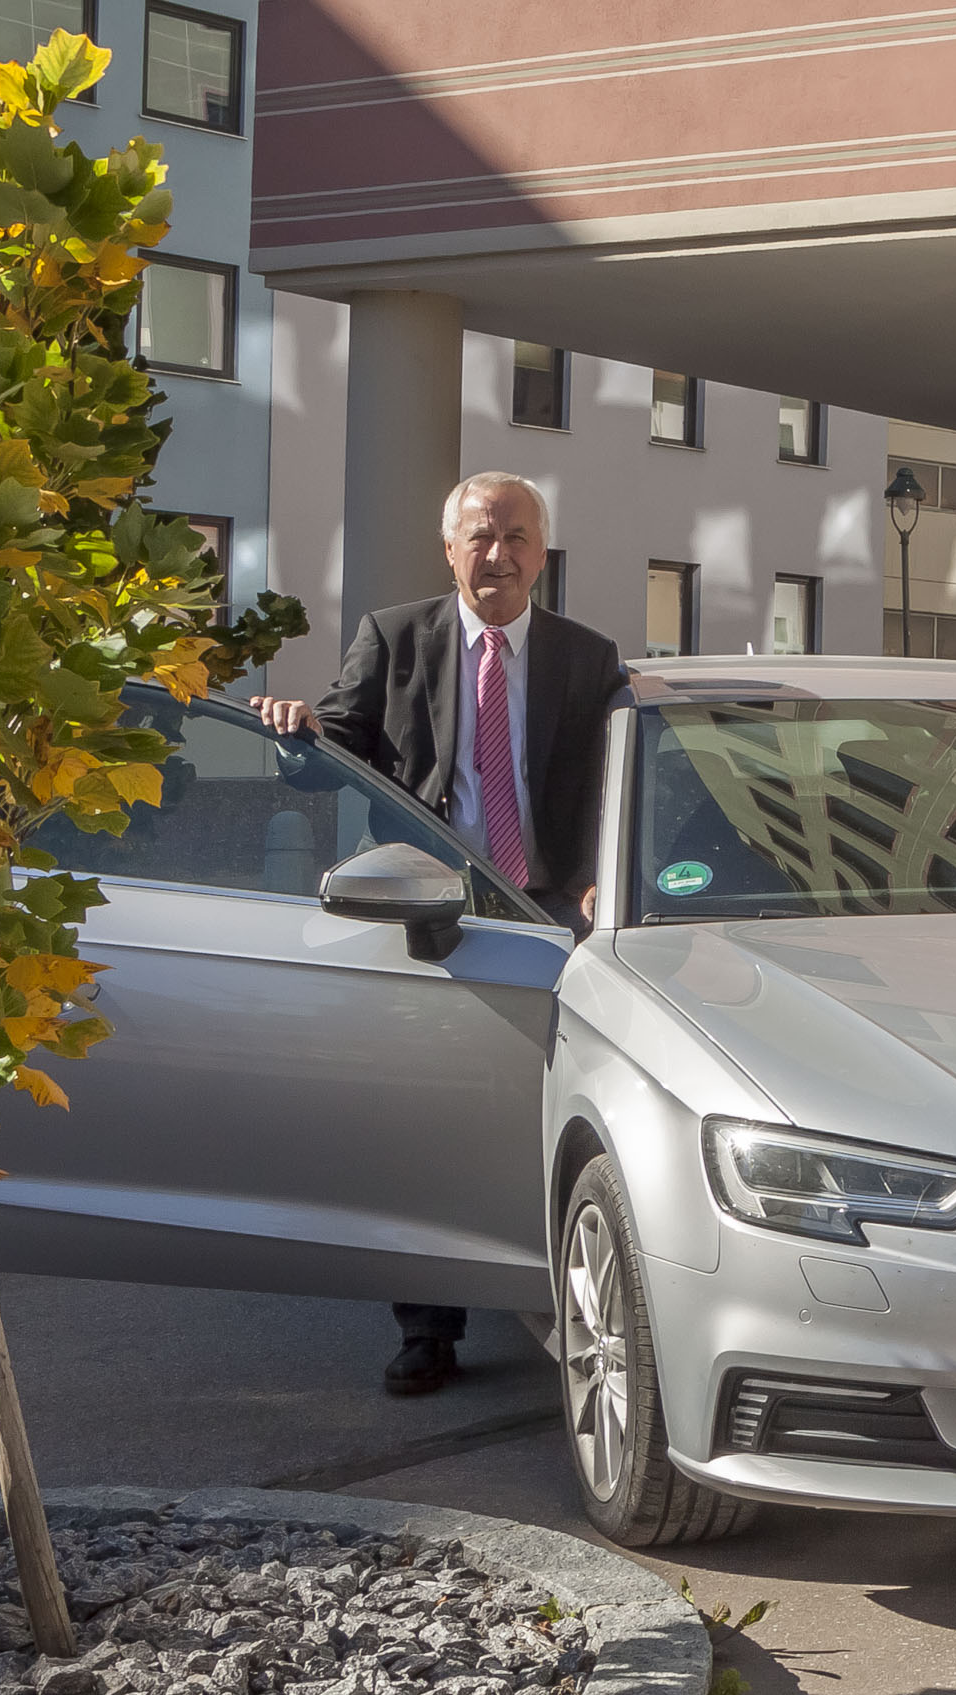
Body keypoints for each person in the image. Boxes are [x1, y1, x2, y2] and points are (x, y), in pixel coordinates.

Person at [249, 471, 631, 1396]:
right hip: (435, 910)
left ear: (542, 553)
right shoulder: (395, 638)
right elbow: (326, 755)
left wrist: (599, 878)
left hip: (552, 916)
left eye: (515, 538)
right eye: (478, 537)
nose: (495, 554)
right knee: (426, 1112)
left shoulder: (588, 657)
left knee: (556, 1111)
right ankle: (429, 1323)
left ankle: (562, 1293)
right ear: (448, 548)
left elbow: (621, 779)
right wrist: (293, 728)